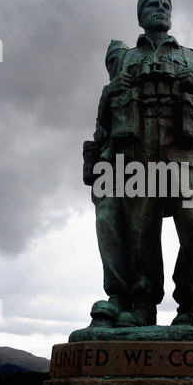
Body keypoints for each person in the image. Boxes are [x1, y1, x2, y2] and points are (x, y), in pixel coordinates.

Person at [96, 0, 193, 333]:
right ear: (140, 15)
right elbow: (106, 120)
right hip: (138, 154)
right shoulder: (127, 59)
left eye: (165, 3)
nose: (160, 7)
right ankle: (143, 305)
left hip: (183, 156)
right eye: (152, 4)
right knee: (140, 230)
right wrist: (106, 97)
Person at [83, 40, 131, 327]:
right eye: (112, 62)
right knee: (108, 222)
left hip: (151, 169)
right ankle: (117, 296)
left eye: (121, 59)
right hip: (111, 174)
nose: (117, 65)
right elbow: (101, 132)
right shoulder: (108, 96)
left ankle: (186, 304)